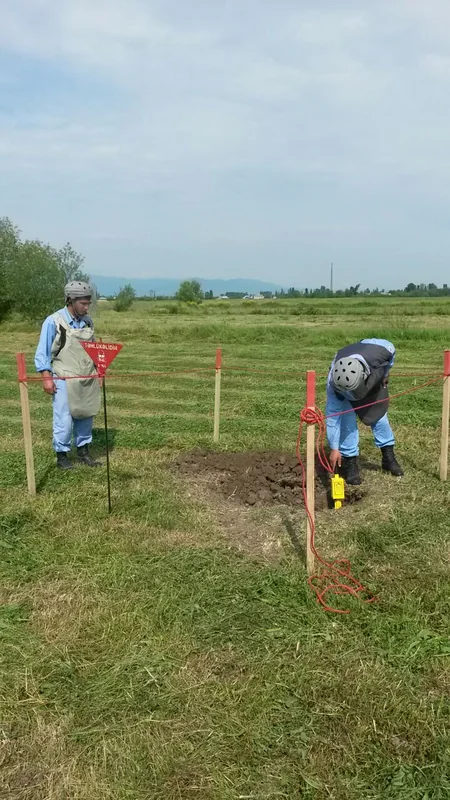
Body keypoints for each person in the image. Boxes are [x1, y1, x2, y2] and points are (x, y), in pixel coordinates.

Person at [35, 280, 102, 470]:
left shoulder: (88, 322)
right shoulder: (53, 321)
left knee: (86, 413)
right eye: (83, 303)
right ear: (70, 300)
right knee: (64, 417)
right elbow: (42, 353)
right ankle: (62, 456)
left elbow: (93, 349)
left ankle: (83, 451)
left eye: (88, 303)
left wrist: (98, 371)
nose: (87, 307)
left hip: (87, 376)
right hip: (63, 376)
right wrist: (46, 377)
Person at [326, 338, 403, 485]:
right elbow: (333, 417)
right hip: (348, 387)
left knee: (380, 418)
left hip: (372, 379)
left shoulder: (382, 351)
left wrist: (386, 373)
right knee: (347, 423)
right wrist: (334, 448)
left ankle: (388, 458)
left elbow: (391, 354)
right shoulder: (333, 383)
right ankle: (351, 465)